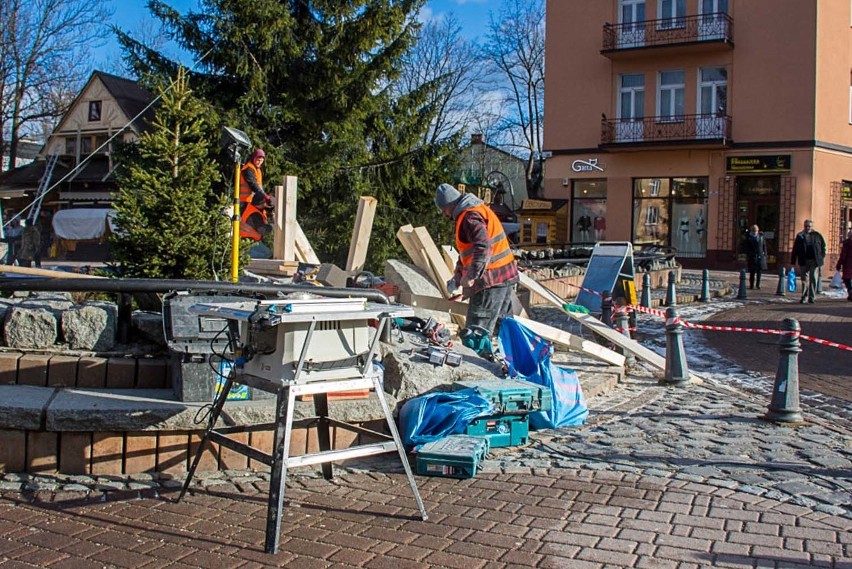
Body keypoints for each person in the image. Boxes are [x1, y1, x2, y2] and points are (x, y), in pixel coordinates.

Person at [435, 183, 519, 339]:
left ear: (449, 205)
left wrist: (472, 275)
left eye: (444, 211)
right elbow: (470, 249)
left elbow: (483, 247)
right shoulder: (475, 210)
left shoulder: (469, 217)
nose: (445, 215)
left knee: (475, 333)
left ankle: (478, 362)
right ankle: (513, 360)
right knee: (504, 327)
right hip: (503, 275)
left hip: (490, 280)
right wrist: (460, 271)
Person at [238, 148, 272, 241]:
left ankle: (253, 239)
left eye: (261, 160)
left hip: (251, 201)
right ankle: (247, 240)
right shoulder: (248, 169)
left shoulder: (258, 170)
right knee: (248, 223)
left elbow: (259, 187)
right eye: (258, 159)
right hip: (244, 201)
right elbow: (253, 184)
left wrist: (264, 197)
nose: (260, 162)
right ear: (253, 158)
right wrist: (264, 197)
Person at [790, 219, 826, 303]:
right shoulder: (800, 236)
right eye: (806, 226)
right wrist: (793, 261)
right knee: (804, 280)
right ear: (804, 226)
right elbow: (795, 249)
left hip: (815, 260)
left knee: (813, 278)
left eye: (809, 226)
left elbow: (823, 246)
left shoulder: (817, 235)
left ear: (812, 227)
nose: (807, 228)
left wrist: (821, 256)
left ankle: (812, 297)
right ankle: (804, 296)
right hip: (804, 260)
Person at [741, 225, 767, 289]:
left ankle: (758, 285)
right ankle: (751, 285)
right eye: (753, 231)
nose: (755, 232)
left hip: (760, 256)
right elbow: (745, 246)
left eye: (756, 231)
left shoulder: (761, 236)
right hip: (752, 256)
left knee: (759, 272)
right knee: (752, 272)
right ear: (751, 231)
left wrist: (765, 254)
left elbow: (764, 246)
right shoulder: (748, 237)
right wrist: (748, 253)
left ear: (758, 231)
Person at [836, 229, 852, 301]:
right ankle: (850, 293)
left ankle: (850, 291)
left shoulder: (846, 243)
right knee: (847, 279)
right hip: (848, 264)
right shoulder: (846, 243)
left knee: (847, 279)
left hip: (848, 264)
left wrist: (839, 264)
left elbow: (843, 255)